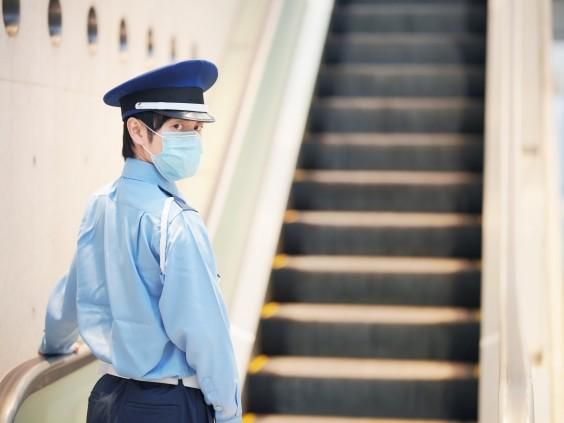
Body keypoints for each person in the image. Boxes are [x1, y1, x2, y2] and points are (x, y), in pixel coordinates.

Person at [37, 59, 242, 423]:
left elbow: (74, 293)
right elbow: (205, 335)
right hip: (168, 404)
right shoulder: (176, 222)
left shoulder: (100, 205)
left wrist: (54, 344)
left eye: (196, 129)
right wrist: (228, 412)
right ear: (136, 130)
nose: (191, 139)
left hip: (106, 398)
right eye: (177, 126)